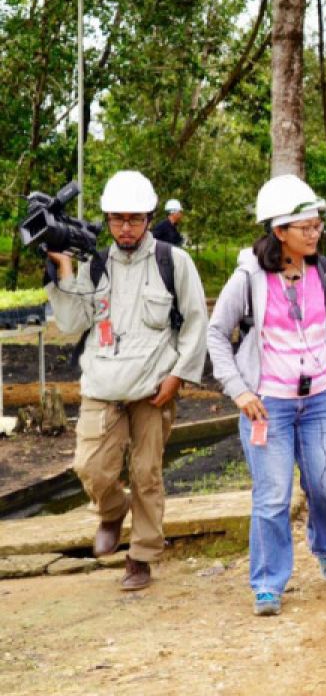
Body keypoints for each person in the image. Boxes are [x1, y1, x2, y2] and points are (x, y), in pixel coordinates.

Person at [46, 171, 208, 591]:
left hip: (153, 387)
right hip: (103, 384)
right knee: (90, 467)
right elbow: (71, 321)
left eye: (135, 219)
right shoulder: (96, 265)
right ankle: (112, 511)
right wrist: (62, 273)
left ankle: (141, 556)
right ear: (107, 219)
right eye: (117, 219)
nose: (126, 228)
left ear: (149, 217)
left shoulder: (173, 262)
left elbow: (195, 323)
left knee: (146, 472)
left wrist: (178, 376)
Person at [207, 175, 326, 615]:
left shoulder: (325, 272)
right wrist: (238, 391)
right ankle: (269, 582)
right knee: (273, 495)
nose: (315, 232)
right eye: (305, 226)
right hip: (267, 403)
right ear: (279, 231)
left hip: (320, 397)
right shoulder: (249, 276)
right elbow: (217, 334)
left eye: (317, 225)